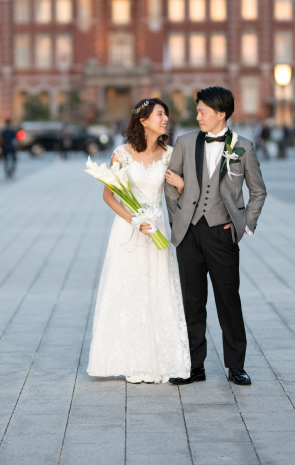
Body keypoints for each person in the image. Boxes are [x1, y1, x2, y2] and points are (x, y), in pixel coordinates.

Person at [165, 86, 267, 386]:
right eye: (197, 110)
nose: (197, 116)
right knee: (192, 301)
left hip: (223, 233)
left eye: (202, 111)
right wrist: (179, 223)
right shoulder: (184, 143)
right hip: (189, 234)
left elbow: (258, 191)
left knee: (228, 300)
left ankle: (236, 365)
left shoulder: (243, 147)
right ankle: (194, 366)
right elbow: (171, 187)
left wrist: (243, 225)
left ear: (221, 114)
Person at [87, 98, 191, 384]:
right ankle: (132, 359)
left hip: (157, 227)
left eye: (166, 114)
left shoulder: (171, 154)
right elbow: (109, 195)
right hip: (129, 229)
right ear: (144, 120)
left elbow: (183, 195)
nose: (166, 118)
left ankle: (160, 358)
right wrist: (133, 219)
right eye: (160, 114)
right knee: (129, 290)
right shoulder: (122, 154)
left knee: (158, 288)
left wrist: (181, 186)